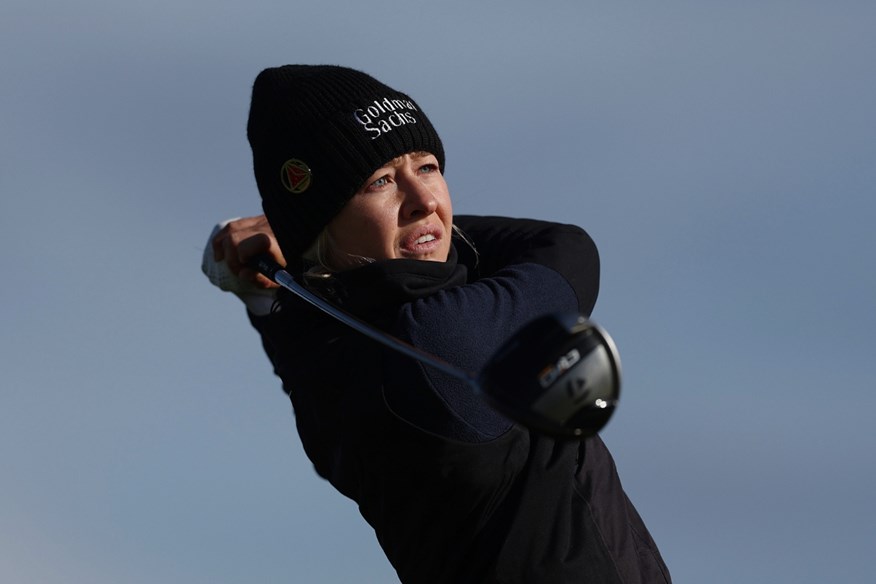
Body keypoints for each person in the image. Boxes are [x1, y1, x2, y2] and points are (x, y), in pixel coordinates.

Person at [203, 65, 671, 583]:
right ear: (321, 224)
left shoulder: (331, 361)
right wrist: (291, 247)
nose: (426, 201)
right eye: (379, 182)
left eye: (426, 168)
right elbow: (565, 248)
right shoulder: (440, 341)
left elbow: (302, 343)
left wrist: (263, 291)